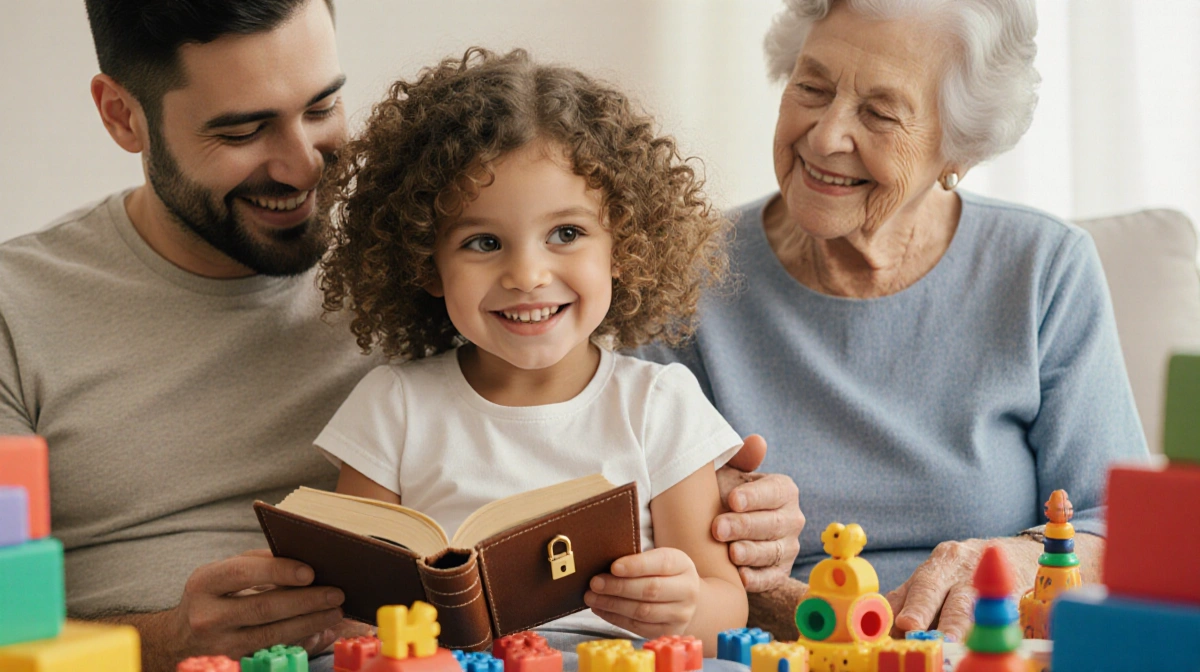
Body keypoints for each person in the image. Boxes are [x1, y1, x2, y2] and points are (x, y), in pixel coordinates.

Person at [0, 1, 803, 669]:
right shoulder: (17, 308)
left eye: (320, 108)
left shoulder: (424, 241)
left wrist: (740, 544)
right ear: (121, 116)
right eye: (242, 132)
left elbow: (704, 566)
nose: (302, 168)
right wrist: (164, 640)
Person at [638, 0, 1150, 642]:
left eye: (879, 114)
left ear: (958, 148)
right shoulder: (687, 268)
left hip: (984, 642)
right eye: (811, 88)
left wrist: (1011, 562)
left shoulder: (1043, 268)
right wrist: (823, 619)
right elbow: (633, 517)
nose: (825, 136)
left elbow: (1122, 526)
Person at [315, 48, 747, 653]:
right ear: (426, 264)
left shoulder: (660, 404)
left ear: (622, 246)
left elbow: (727, 606)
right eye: (484, 241)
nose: (527, 275)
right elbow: (349, 606)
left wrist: (684, 603)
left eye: (566, 234)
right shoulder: (393, 405)